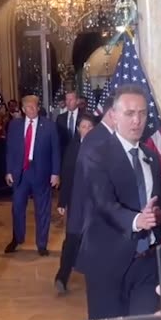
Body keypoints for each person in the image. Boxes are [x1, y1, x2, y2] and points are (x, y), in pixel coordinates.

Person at [77, 84, 161, 319]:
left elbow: (156, 203)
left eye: (142, 113)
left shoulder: (149, 156)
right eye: (129, 114)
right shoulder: (96, 153)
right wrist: (138, 220)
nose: (137, 120)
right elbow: (103, 203)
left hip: (147, 261)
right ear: (114, 116)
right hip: (108, 262)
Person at [5, 95, 61, 256]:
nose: (31, 109)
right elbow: (9, 150)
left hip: (41, 172)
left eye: (34, 106)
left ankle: (42, 244)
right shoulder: (14, 126)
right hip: (20, 172)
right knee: (17, 208)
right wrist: (8, 170)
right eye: (28, 107)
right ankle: (17, 238)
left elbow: (56, 151)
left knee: (42, 210)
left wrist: (55, 173)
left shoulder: (49, 126)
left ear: (38, 107)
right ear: (22, 109)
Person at [55, 114, 96, 295]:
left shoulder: (100, 147)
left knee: (95, 240)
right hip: (75, 201)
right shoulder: (72, 148)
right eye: (83, 126)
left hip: (95, 203)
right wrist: (62, 201)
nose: (86, 130)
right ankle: (61, 277)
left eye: (89, 127)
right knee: (72, 239)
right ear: (78, 129)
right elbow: (66, 175)